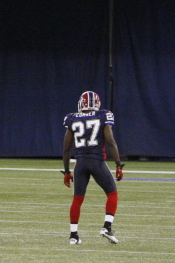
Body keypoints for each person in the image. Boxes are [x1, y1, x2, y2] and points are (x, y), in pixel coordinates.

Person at [62, 91, 123, 245]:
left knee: (77, 199)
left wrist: (67, 171)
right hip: (96, 162)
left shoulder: (72, 118)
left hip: (80, 163)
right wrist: (118, 164)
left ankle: (73, 236)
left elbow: (66, 149)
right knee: (112, 193)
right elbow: (110, 141)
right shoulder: (103, 115)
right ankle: (107, 227)